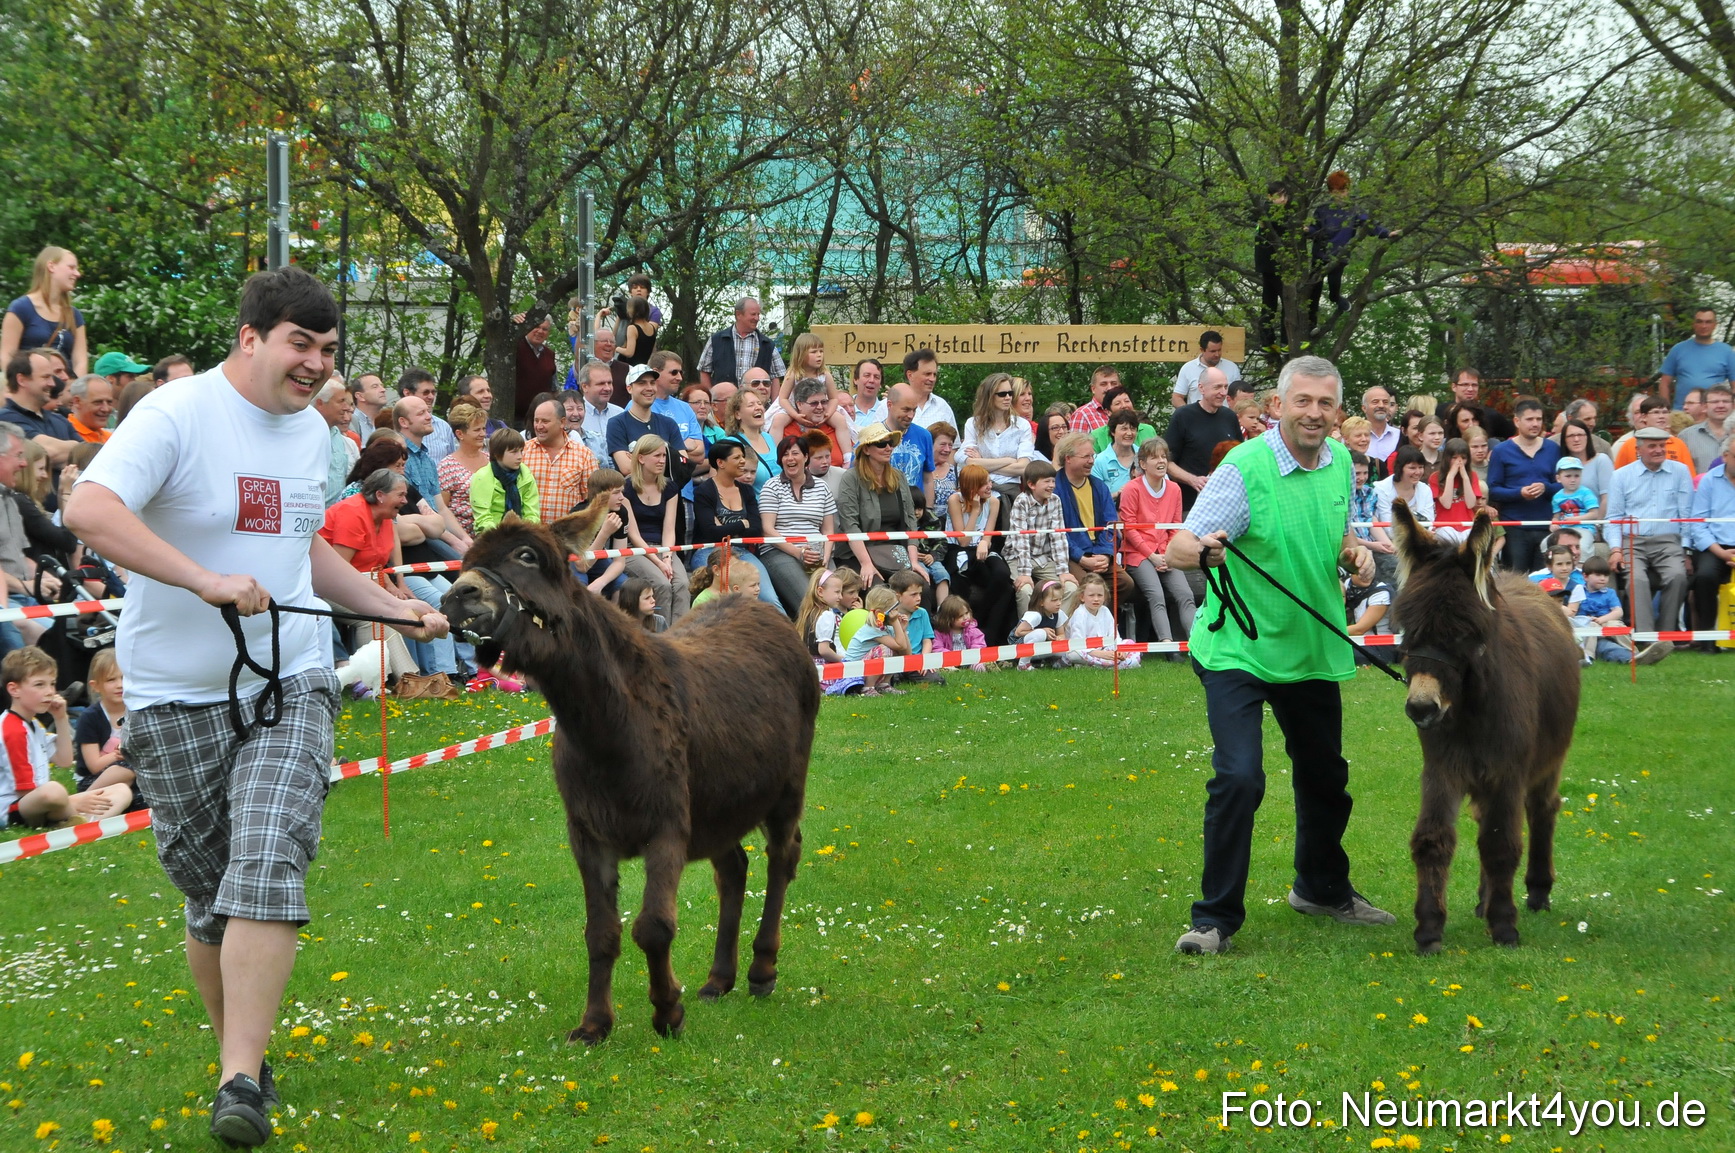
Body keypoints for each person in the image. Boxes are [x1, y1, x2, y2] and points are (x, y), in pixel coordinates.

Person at [64, 266, 447, 1145]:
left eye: (327, 349)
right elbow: (87, 505)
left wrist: (390, 605)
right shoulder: (175, 414)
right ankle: (242, 1050)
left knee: (269, 855)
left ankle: (240, 1079)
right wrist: (203, 580)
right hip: (174, 693)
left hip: (290, 682)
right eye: (299, 344)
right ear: (250, 338)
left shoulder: (315, 433)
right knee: (210, 892)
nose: (314, 364)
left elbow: (302, 547)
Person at [1165, 354, 1393, 955]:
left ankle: (1320, 888)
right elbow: (1182, 546)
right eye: (1303, 401)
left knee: (1326, 777)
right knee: (1240, 777)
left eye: (1325, 404)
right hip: (1238, 644)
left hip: (1310, 645)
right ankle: (1214, 920)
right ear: (1279, 406)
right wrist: (1209, 551)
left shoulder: (1342, 461)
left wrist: (1353, 553)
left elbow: (1339, 530)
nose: (1314, 414)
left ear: (1336, 411)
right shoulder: (1244, 468)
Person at [321, 470, 461, 694]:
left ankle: (401, 681)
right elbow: (340, 569)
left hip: (361, 582)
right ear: (380, 495)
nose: (406, 501)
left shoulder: (385, 518)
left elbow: (373, 564)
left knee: (390, 610)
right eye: (401, 495)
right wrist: (385, 596)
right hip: (325, 586)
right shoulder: (353, 513)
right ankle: (392, 682)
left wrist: (395, 588)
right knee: (379, 615)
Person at [4, 645, 129, 825]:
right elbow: (26, 792)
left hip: (44, 802)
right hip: (14, 808)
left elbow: (64, 760)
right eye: (40, 684)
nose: (49, 691)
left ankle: (82, 822)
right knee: (53, 791)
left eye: (52, 684)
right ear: (14, 690)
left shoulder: (33, 724)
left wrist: (61, 718)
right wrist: (73, 800)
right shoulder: (13, 728)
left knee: (121, 790)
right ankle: (73, 815)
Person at [1606, 426, 1694, 664]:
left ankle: (1666, 637)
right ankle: (1646, 640)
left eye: (1662, 445)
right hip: (1633, 541)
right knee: (1636, 580)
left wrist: (1686, 551)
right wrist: (1615, 549)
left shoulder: (1680, 471)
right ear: (1638, 449)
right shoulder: (1621, 475)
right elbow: (1613, 518)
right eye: (1652, 446)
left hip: (1669, 541)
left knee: (1678, 577)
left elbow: (1686, 515)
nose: (1658, 450)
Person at [1117, 437, 1194, 649]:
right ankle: (1167, 645)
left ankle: (1196, 642)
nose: (1161, 461)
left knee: (1185, 594)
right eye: (1154, 457)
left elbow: (1175, 526)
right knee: (1156, 594)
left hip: (1166, 552)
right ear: (1142, 464)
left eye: (1163, 457)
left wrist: (1168, 553)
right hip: (1138, 554)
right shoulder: (1131, 489)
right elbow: (1129, 527)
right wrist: (1151, 555)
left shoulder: (1175, 489)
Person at [689, 438, 780, 610]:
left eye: (743, 457)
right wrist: (741, 524)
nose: (743, 461)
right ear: (720, 463)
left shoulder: (746, 490)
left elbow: (755, 530)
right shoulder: (704, 491)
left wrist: (725, 528)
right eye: (737, 458)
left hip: (741, 552)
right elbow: (710, 533)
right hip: (710, 551)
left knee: (769, 598)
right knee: (725, 596)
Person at [1053, 433, 1134, 618]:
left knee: (1125, 583)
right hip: (1071, 555)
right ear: (1068, 458)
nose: (1091, 461)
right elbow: (1058, 533)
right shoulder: (1055, 489)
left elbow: (1111, 525)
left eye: (1092, 456)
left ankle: (1101, 625)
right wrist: (1081, 558)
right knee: (1085, 588)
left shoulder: (1099, 486)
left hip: (1098, 552)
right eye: (1086, 457)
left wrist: (1105, 554)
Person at [835, 422, 923, 590]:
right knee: (879, 591)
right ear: (866, 450)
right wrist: (866, 563)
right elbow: (850, 525)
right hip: (858, 554)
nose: (888, 448)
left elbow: (910, 521)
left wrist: (913, 562)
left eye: (891, 443)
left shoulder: (899, 477)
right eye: (882, 443)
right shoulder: (851, 478)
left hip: (895, 552)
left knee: (920, 589)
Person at [758, 434, 837, 612]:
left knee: (838, 596)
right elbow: (767, 530)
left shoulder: (822, 487)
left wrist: (824, 556)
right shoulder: (771, 486)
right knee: (809, 600)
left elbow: (828, 530)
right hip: (780, 551)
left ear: (806, 457)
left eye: (795, 453)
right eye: (785, 455)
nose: (790, 458)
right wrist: (798, 552)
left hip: (817, 551)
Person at [620, 433, 689, 628]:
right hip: (636, 549)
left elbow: (669, 530)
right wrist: (658, 562)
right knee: (662, 584)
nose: (662, 460)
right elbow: (633, 534)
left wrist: (666, 557)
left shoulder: (670, 487)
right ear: (641, 458)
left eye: (664, 456)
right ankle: (661, 637)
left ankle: (682, 637)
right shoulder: (626, 489)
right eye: (656, 456)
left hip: (663, 547)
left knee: (682, 584)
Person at [945, 463, 1017, 646]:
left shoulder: (994, 501)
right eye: (985, 484)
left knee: (1003, 578)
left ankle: (984, 626)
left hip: (983, 547)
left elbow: (989, 532)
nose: (990, 487)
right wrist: (975, 511)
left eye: (990, 482)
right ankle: (983, 633)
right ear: (972, 486)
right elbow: (963, 540)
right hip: (960, 549)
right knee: (963, 578)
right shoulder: (955, 500)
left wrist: (985, 543)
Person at [1487, 396, 1560, 571]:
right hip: (1515, 526)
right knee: (1516, 580)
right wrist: (1520, 493)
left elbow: (1563, 486)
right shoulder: (1501, 451)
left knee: (1543, 581)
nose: (1535, 424)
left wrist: (1546, 487)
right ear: (1517, 421)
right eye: (1530, 419)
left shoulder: (1552, 449)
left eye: (1539, 419)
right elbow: (1493, 490)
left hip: (1546, 525)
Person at [1163, 365, 1241, 512]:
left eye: (1225, 387)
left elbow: (1239, 458)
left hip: (1225, 504)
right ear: (1201, 388)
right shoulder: (1183, 416)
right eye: (1217, 387)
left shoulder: (1230, 417)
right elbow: (1167, 462)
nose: (1223, 393)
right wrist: (1193, 480)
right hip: (1190, 505)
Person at [1006, 458, 1076, 618]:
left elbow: (1058, 536)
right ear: (1031, 484)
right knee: (1025, 590)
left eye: (1053, 481)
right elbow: (1020, 539)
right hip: (1018, 558)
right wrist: (1024, 572)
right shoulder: (1021, 501)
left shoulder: (1055, 500)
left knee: (1070, 587)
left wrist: (1063, 570)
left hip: (1044, 557)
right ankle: (1027, 633)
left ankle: (1057, 628)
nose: (1052, 485)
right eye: (1047, 481)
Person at [2, 247, 87, 375]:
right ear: (51, 266)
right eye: (71, 267)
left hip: (64, 389)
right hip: (31, 386)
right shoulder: (21, 308)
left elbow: (80, 361)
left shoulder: (74, 315)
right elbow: (6, 357)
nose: (77, 274)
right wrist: (19, 386)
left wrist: (74, 389)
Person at [1687, 433, 1735, 651]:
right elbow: (1698, 524)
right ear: (1726, 456)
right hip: (1715, 547)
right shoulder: (1708, 480)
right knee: (1705, 578)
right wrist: (1722, 553)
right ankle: (1708, 640)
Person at [962, 371, 1037, 508]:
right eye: (1002, 394)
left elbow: (1024, 467)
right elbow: (969, 463)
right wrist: (1008, 461)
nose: (1008, 397)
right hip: (979, 494)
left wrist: (983, 464)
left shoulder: (1022, 425)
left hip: (1011, 494)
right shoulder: (973, 424)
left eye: (1010, 393)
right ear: (989, 396)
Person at [606, 361, 688, 483]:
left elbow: (683, 464)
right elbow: (626, 468)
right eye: (641, 383)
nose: (649, 388)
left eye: (652, 383)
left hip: (668, 496)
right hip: (632, 497)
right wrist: (668, 457)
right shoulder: (617, 423)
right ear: (629, 388)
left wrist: (637, 458)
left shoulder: (668, 423)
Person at [2, 347, 83, 467]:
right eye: (46, 377)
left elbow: (88, 454)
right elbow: (46, 452)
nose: (53, 384)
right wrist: (75, 449)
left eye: (52, 377)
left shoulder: (60, 420)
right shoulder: (5, 419)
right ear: (22, 380)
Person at [73, 648, 137, 799]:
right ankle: (81, 801)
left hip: (133, 776)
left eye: (123, 678)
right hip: (93, 781)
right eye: (111, 680)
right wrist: (119, 754)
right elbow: (94, 766)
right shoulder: (90, 717)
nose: (119, 685)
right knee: (123, 769)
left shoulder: (137, 711)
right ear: (95, 686)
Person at [522, 396, 597, 519]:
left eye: (545, 421)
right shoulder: (523, 452)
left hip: (567, 535)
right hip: (529, 534)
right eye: (536, 421)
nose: (539, 426)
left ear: (562, 422)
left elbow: (590, 502)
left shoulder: (584, 455)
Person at [797, 567, 863, 695]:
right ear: (820, 592)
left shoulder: (810, 612)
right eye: (837, 592)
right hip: (825, 669)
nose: (840, 597)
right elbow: (824, 650)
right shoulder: (827, 615)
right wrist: (845, 662)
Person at [698, 296, 785, 389]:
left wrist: (774, 403)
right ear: (739, 314)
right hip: (724, 401)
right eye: (753, 314)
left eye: (758, 314)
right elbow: (704, 371)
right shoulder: (716, 340)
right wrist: (710, 399)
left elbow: (776, 376)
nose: (757, 318)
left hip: (756, 402)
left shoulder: (767, 344)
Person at [1658, 306, 1735, 410]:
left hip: (1714, 414)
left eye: (1708, 322)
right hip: (1683, 414)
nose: (1703, 326)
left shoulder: (1726, 351)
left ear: (1715, 325)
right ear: (1694, 324)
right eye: (1700, 322)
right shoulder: (1678, 349)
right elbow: (1664, 383)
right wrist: (1665, 410)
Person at [1063, 572, 1140, 669]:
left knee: (1130, 643)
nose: (1096, 599)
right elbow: (1078, 644)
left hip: (1105, 649)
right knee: (1073, 654)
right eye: (1091, 595)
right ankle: (1111, 665)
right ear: (1082, 597)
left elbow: (1114, 636)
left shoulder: (1105, 611)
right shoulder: (1080, 614)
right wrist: (1101, 654)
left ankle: (1109, 664)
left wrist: (1120, 651)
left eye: (1099, 595)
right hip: (1088, 652)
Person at [469, 428, 540, 531]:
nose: (520, 456)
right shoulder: (482, 478)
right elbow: (482, 518)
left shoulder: (526, 475)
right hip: (492, 536)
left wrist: (523, 532)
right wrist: (504, 535)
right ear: (497, 454)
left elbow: (532, 513)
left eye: (521, 451)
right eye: (514, 452)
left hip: (523, 533)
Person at [437, 402, 490, 534]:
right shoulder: (447, 466)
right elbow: (442, 508)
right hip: (461, 536)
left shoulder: (491, 460)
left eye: (483, 429)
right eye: (477, 430)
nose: (483, 434)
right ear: (460, 434)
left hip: (492, 535)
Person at [888, 569, 945, 685]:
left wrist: (925, 661)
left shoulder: (922, 613)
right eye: (914, 594)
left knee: (937, 680)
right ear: (898, 596)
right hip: (895, 661)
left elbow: (927, 640)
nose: (919, 598)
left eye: (920, 593)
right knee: (891, 679)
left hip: (917, 661)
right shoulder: (889, 616)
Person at [1611, 395, 1696, 472]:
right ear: (1644, 417)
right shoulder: (1629, 445)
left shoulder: (1679, 444)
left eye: (1665, 412)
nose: (1661, 416)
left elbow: (1689, 477)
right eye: (1656, 412)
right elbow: (1619, 477)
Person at [1575, 555, 1630, 664]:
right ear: (1585, 577)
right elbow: (1574, 611)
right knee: (1591, 626)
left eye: (1606, 575)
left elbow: (1618, 612)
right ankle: (1587, 657)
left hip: (1607, 622)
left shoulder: (1609, 593)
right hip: (1587, 624)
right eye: (1598, 575)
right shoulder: (1579, 591)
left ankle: (1633, 652)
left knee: (1615, 626)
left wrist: (1602, 619)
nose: (1603, 578)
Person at [312, 380, 360, 506]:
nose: (347, 407)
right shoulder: (303, 434)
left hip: (336, 517)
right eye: (340, 402)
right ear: (320, 403)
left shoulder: (339, 436)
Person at [883, 384, 935, 495]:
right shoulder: (873, 436)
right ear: (889, 405)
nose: (911, 415)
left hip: (916, 508)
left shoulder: (924, 436)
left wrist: (929, 509)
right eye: (906, 410)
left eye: (914, 410)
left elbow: (928, 478)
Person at [1171, 330, 1242, 408]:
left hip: (1225, 418)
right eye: (1213, 351)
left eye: (1219, 350)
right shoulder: (1188, 368)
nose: (1217, 354)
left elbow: (1239, 397)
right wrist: (1188, 414)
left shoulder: (1232, 367)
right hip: (1197, 418)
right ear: (1202, 350)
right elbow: (1177, 398)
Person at [398, 369, 456, 462]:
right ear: (407, 393)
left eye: (433, 392)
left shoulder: (443, 427)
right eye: (426, 392)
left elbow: (452, 462)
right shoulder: (390, 425)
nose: (431, 397)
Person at [1013, 578, 1068, 670]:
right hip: (1020, 648)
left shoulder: (1058, 614)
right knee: (1040, 634)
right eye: (1054, 600)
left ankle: (1053, 662)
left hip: (1039, 649)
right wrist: (1043, 631)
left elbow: (1061, 633)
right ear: (1041, 602)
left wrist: (1059, 638)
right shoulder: (1035, 615)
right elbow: (1018, 633)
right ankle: (1023, 664)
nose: (1059, 603)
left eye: (1060, 599)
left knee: (1066, 649)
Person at [1444, 368, 1516, 439]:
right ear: (1454, 387)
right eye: (1465, 384)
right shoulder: (1441, 411)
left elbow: (1513, 435)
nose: (1470, 389)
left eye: (1474, 385)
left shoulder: (1491, 415)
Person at [1681, 383, 1732, 474]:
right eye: (1715, 402)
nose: (1721, 405)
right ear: (1704, 407)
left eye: (1726, 401)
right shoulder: (1686, 436)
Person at [515, 315, 558, 421]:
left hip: (541, 418)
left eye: (544, 329)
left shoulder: (549, 355)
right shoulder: (514, 348)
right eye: (536, 327)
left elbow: (554, 388)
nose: (540, 331)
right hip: (515, 416)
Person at [689, 547, 763, 609]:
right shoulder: (702, 600)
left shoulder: (738, 591)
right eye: (732, 568)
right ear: (716, 570)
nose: (736, 571)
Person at [1092, 410, 1143, 497]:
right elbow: (1095, 498)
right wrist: (1117, 494)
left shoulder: (1144, 456)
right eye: (1124, 429)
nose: (1129, 433)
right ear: (1113, 431)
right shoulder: (1099, 461)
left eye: (1133, 429)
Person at [932, 595, 987, 664]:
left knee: (979, 664)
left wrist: (971, 656)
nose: (965, 618)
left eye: (967, 613)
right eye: (960, 616)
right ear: (949, 619)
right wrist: (952, 657)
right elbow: (937, 648)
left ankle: (986, 667)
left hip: (970, 660)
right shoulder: (940, 633)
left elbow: (979, 645)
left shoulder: (973, 631)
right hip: (949, 661)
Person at [1068, 365, 1120, 434]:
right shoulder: (1082, 414)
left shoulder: (1126, 411)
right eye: (1103, 384)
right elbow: (1075, 444)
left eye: (1114, 384)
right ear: (1093, 389)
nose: (1110, 388)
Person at [65, 373, 116, 443]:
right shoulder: (64, 435)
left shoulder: (111, 439)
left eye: (109, 402)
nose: (106, 409)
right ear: (77, 401)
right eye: (98, 402)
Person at [1551, 457, 1597, 523]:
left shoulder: (1586, 493)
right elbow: (1556, 517)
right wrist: (1554, 524)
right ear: (1558, 478)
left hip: (1584, 527)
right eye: (1568, 476)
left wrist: (1576, 519)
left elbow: (1594, 514)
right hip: (1564, 529)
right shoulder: (1556, 497)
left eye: (1577, 476)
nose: (1573, 480)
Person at [847, 358, 888, 432]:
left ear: (880, 384)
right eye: (867, 375)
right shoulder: (843, 410)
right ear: (856, 379)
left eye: (876, 377)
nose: (871, 380)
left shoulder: (887, 411)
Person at [347, 371, 389, 440]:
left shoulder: (387, 422)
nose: (383, 390)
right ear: (360, 396)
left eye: (382, 386)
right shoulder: (349, 423)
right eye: (375, 387)